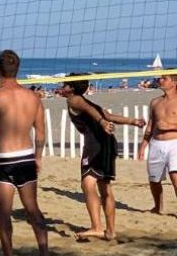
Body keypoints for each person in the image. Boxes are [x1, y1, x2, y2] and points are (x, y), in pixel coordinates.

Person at [0, 50, 48, 256]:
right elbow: (41, 133)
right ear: (18, 69)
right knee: (33, 208)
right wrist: (38, 157)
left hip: (4, 160)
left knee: (4, 213)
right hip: (26, 157)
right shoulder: (33, 98)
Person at [58, 75, 145, 240]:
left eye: (65, 85)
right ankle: (110, 230)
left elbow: (95, 113)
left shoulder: (74, 100)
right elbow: (108, 115)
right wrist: (132, 121)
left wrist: (102, 122)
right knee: (105, 188)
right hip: (107, 143)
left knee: (87, 183)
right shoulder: (86, 101)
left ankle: (97, 227)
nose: (62, 87)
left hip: (95, 145)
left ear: (71, 88)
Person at [138, 72, 177, 214]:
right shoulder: (155, 102)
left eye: (164, 78)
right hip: (156, 144)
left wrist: (170, 126)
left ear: (174, 82)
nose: (160, 80)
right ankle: (157, 207)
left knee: (175, 176)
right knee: (154, 180)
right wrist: (143, 146)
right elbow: (150, 126)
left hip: (175, 142)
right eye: (160, 78)